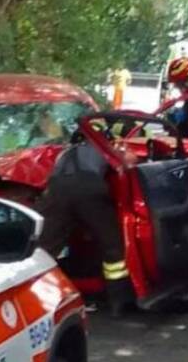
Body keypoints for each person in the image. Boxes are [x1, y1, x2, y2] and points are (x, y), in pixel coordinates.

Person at [36, 133, 135, 315]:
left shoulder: (63, 153)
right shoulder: (103, 149)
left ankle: (36, 302)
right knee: (113, 247)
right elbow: (129, 167)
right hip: (90, 189)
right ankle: (119, 302)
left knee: (44, 249)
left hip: (56, 192)